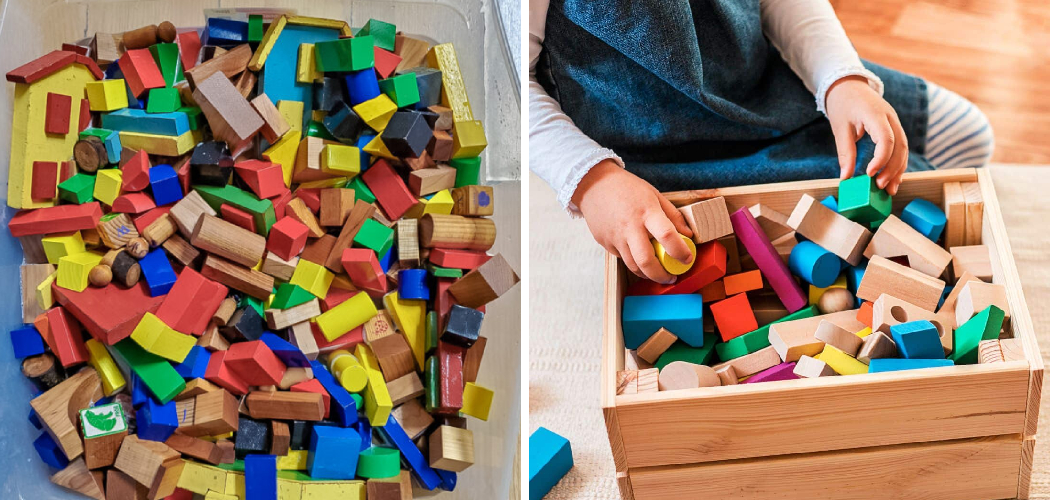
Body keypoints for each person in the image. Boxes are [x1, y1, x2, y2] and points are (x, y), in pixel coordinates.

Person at [529, 0, 994, 285]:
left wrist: (841, 81)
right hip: (662, 156)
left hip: (770, 91)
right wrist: (592, 180)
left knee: (970, 138)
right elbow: (511, 89)